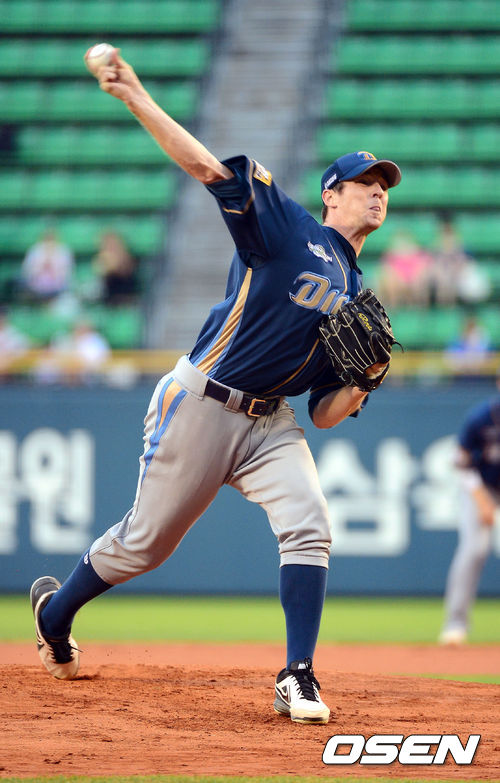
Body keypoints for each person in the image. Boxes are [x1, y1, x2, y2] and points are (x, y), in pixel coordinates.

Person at [30, 49, 401, 725]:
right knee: (145, 544)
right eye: (363, 181)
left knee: (310, 523)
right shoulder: (289, 227)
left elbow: (323, 413)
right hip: (203, 400)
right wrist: (136, 96)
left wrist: (364, 381)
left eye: (383, 185)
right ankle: (54, 616)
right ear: (331, 194)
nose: (377, 191)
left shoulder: (357, 293)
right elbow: (209, 170)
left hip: (270, 423)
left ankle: (298, 675)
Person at [439, 373, 500, 645]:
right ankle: (456, 623)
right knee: (474, 549)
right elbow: (461, 462)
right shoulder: (482, 418)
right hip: (482, 486)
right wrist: (482, 500)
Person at [377, 228, 432, 308]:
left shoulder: (419, 253)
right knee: (389, 280)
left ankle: (419, 307)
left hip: (416, 281)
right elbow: (385, 268)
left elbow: (426, 265)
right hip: (397, 282)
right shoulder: (391, 255)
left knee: (420, 281)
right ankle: (393, 308)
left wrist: (415, 276)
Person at [20, 228, 74, 302]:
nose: (49, 242)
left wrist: (54, 269)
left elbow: (68, 273)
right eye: (47, 239)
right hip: (36, 288)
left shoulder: (63, 251)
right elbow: (26, 272)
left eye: (51, 239)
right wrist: (40, 267)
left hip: (58, 288)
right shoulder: (35, 251)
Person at [92, 230, 138, 304]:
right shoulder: (102, 258)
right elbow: (99, 270)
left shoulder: (126, 258)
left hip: (128, 294)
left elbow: (127, 270)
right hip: (109, 296)